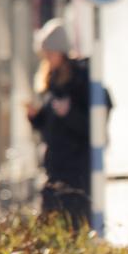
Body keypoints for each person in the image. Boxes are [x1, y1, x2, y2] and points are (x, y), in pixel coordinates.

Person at [27, 18, 93, 227]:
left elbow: (91, 127)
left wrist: (69, 113)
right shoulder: (50, 80)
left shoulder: (80, 79)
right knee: (50, 224)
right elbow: (49, 129)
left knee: (74, 222)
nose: (46, 58)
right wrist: (35, 118)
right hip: (53, 169)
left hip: (76, 171)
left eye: (50, 53)